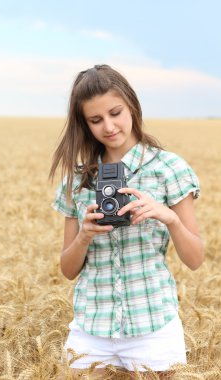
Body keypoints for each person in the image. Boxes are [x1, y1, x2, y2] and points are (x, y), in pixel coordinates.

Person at [49, 64, 204, 379]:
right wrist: (84, 236)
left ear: (132, 106)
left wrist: (170, 218)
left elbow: (196, 258)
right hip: (91, 329)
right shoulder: (77, 180)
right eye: (95, 120)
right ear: (85, 125)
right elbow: (67, 270)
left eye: (115, 112)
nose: (108, 126)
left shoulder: (168, 168)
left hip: (153, 327)